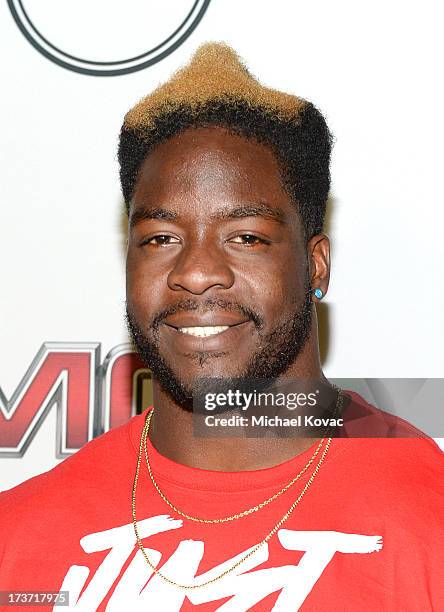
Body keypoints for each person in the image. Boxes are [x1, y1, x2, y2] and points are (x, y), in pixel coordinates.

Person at [0, 42, 442, 611]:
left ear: (317, 265)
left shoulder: (429, 518)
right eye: (161, 238)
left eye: (246, 236)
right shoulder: (19, 539)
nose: (197, 271)